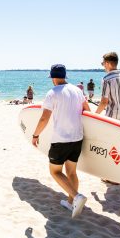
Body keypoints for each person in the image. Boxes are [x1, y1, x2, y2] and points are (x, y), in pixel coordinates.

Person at [32, 64, 91, 218]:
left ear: (52, 77)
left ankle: (77, 197)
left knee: (55, 171)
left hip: (61, 140)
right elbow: (87, 111)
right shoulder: (78, 91)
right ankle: (71, 202)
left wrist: (36, 135)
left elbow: (44, 118)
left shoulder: (52, 93)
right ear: (64, 76)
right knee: (71, 171)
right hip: (77, 138)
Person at [95, 52, 120, 122]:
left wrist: (95, 115)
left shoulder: (106, 79)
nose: (103, 66)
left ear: (107, 63)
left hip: (112, 119)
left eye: (103, 63)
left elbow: (104, 102)